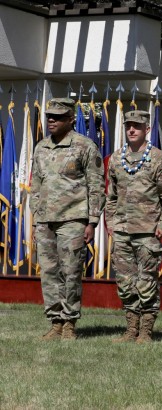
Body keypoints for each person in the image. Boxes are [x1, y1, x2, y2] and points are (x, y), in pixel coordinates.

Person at [31, 97, 106, 340]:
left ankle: (69, 323)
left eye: (58, 117)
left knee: (71, 271)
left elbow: (96, 185)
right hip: (45, 221)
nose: (51, 120)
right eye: (49, 117)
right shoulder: (41, 147)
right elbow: (36, 184)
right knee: (49, 272)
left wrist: (92, 221)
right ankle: (55, 322)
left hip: (74, 219)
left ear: (71, 119)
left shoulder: (85, 146)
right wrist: (36, 216)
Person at [106, 110, 162, 343]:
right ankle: (130, 329)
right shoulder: (116, 159)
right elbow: (111, 196)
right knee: (125, 283)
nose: (132, 130)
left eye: (137, 126)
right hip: (122, 230)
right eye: (128, 126)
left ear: (147, 129)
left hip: (148, 231)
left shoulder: (157, 158)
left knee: (146, 282)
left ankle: (145, 331)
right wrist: (110, 222)